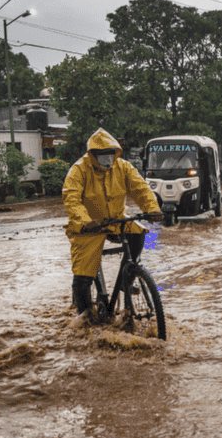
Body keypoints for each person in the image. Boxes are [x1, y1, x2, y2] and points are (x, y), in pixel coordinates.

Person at [62, 128, 162, 317]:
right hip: (88, 227)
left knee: (138, 232)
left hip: (117, 220)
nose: (107, 160)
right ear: (93, 155)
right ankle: (84, 318)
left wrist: (152, 209)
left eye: (110, 155)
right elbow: (71, 198)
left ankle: (128, 277)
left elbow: (140, 189)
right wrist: (85, 221)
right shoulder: (79, 170)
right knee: (83, 274)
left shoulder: (123, 167)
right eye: (102, 156)